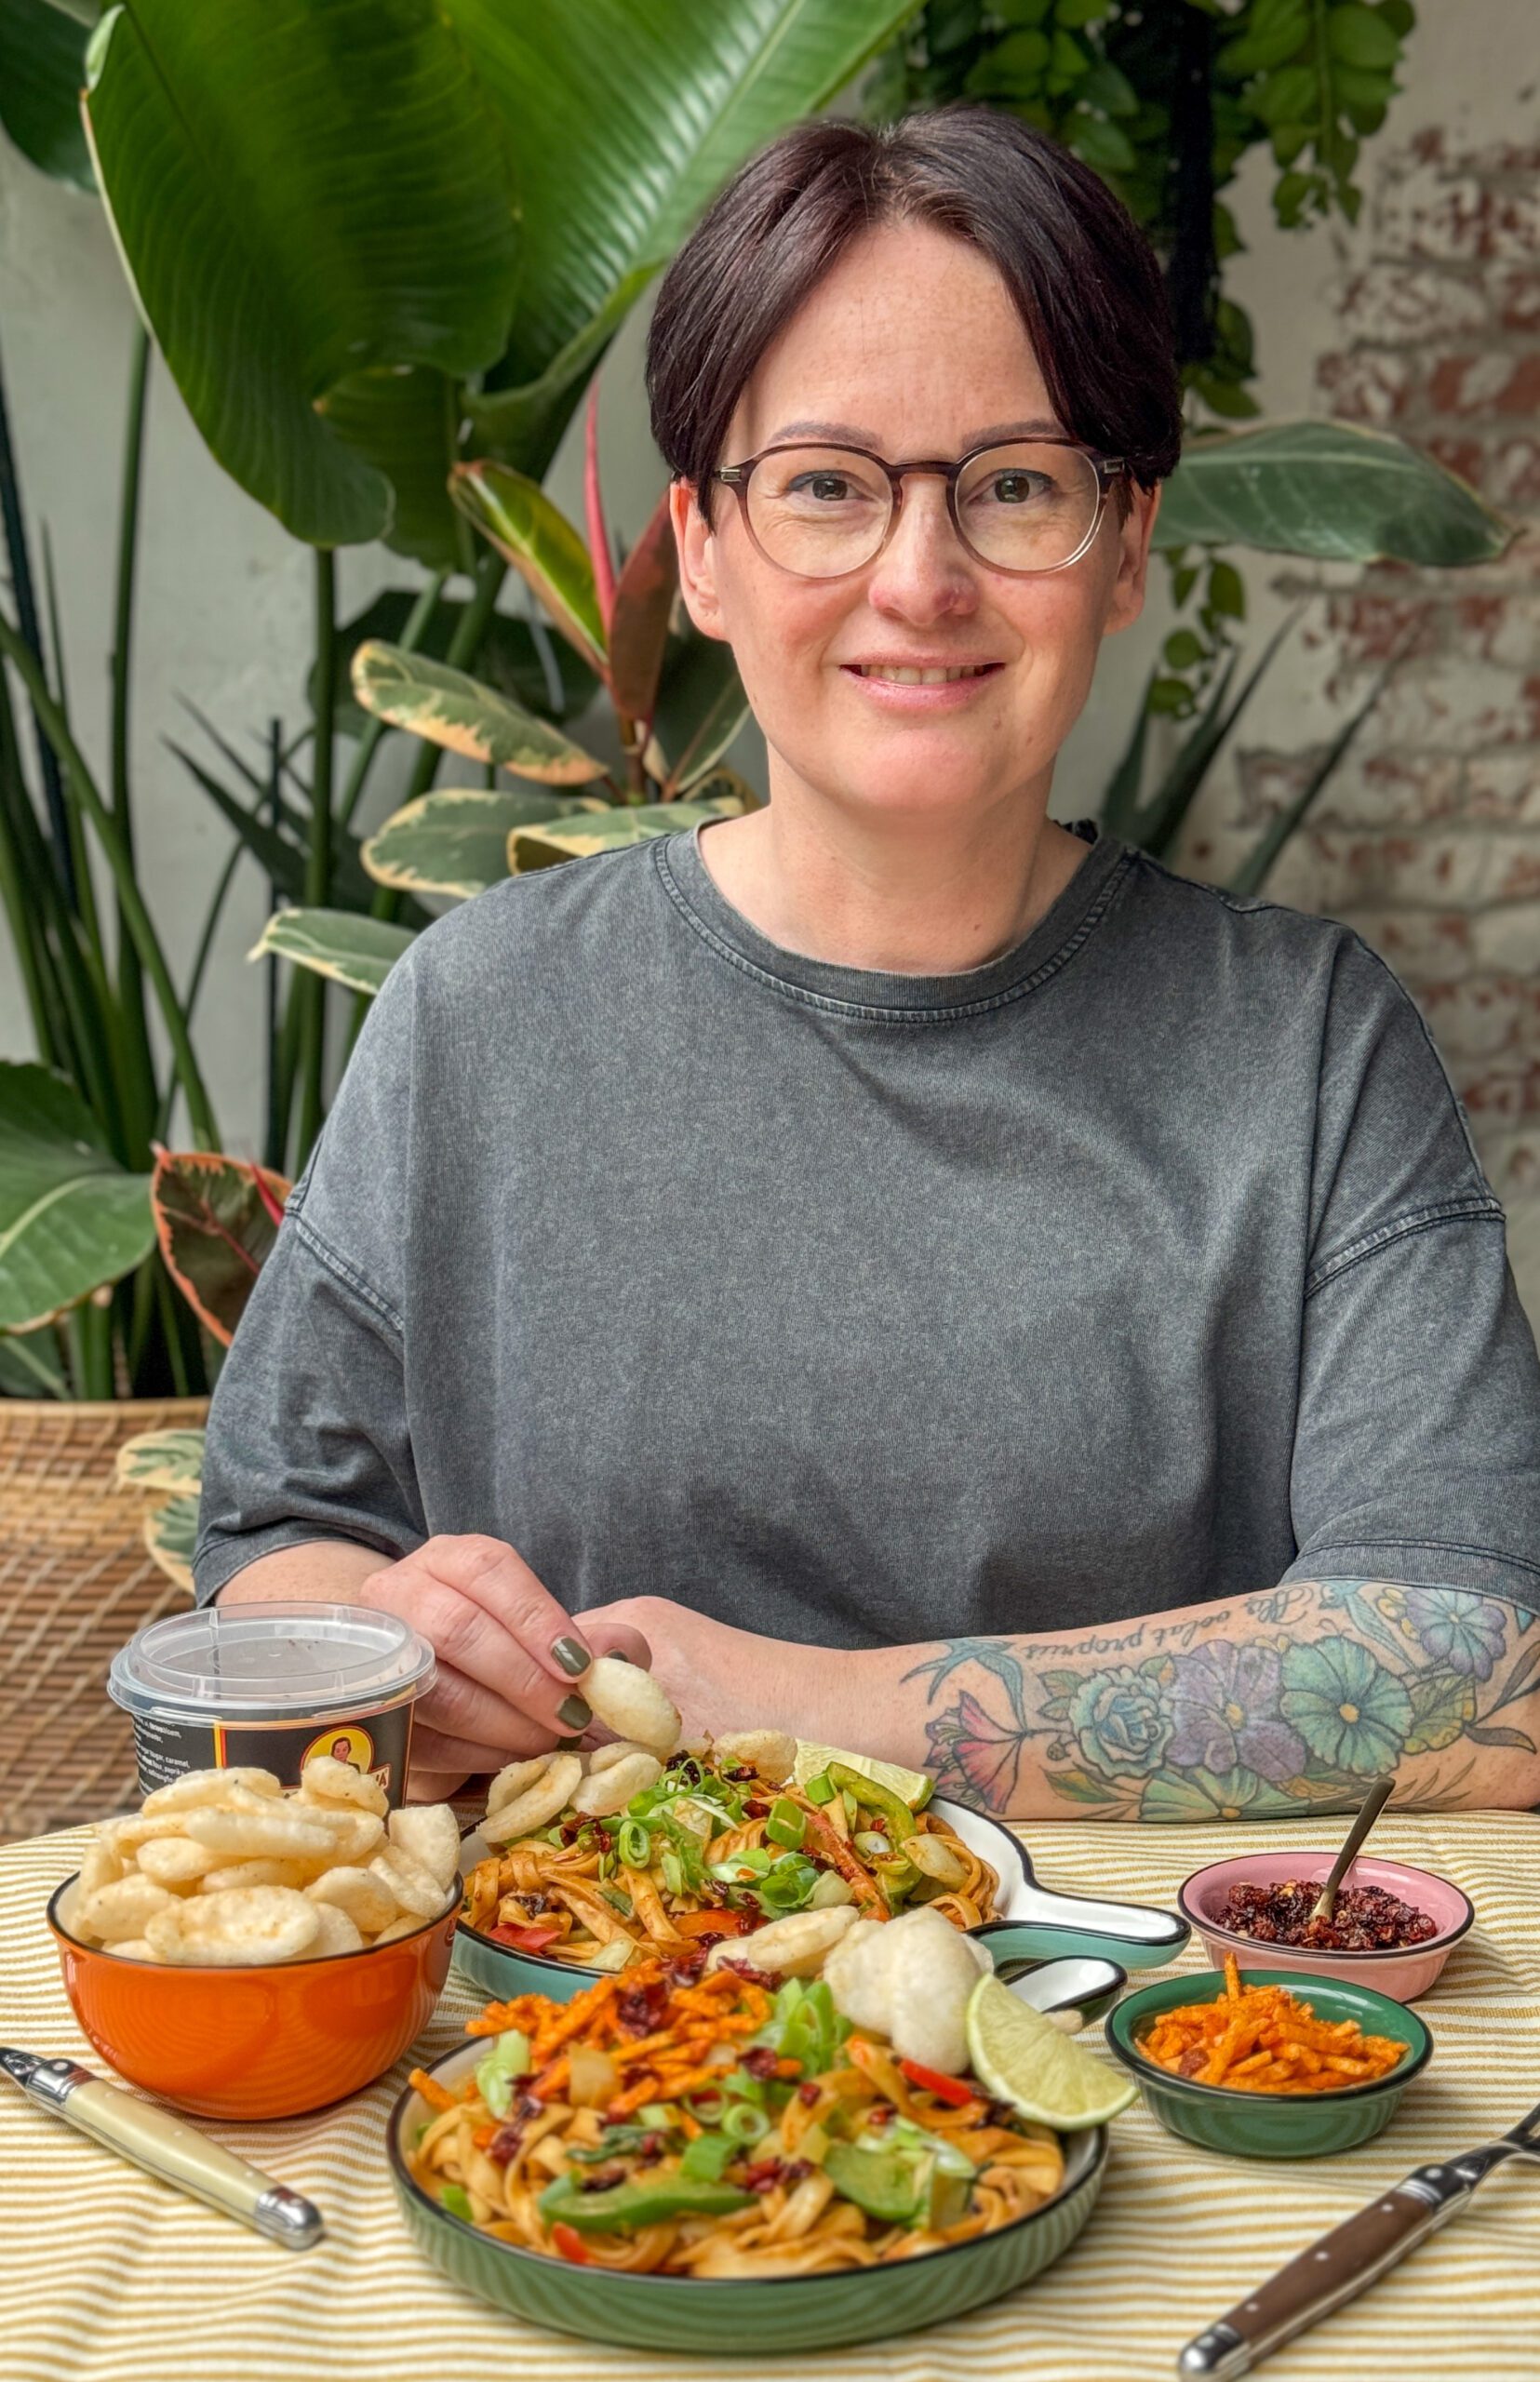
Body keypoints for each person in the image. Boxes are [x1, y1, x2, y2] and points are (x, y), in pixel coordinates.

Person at [197, 111, 1540, 1821]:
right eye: (827, 484)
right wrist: (393, 1648)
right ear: (700, 548)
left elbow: (1485, 1663)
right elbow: (261, 1558)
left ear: (1124, 548)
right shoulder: (485, 1016)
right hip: (578, 2054)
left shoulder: (1303, 1047)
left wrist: (800, 1708)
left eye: (1017, 487)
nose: (922, 577)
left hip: (1139, 2052)